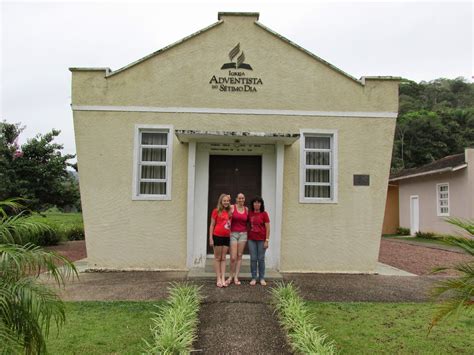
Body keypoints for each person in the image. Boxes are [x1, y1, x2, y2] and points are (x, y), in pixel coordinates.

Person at [209, 193, 232, 288]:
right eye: (224, 201)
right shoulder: (216, 211)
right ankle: (218, 278)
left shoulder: (230, 211)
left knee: (223, 258)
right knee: (218, 258)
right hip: (217, 236)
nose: (226, 202)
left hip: (226, 237)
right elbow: (212, 225)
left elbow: (237, 205)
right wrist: (211, 238)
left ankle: (223, 277)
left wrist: (229, 197)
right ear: (221, 202)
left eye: (227, 201)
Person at [226, 193, 248, 286]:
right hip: (233, 234)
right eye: (239, 198)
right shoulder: (232, 207)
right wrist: (227, 198)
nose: (241, 200)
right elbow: (224, 210)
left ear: (244, 199)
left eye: (242, 198)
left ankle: (236, 277)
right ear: (236, 199)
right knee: (233, 257)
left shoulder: (246, 209)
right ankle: (230, 276)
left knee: (239, 255)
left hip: (243, 234)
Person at [248, 196, 270, 286]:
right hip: (251, 239)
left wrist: (267, 240)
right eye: (255, 202)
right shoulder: (249, 213)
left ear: (261, 204)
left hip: (262, 240)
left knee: (261, 259)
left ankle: (261, 278)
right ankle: (253, 277)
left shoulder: (264, 214)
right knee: (253, 259)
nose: (257, 204)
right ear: (253, 204)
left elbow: (268, 228)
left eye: (259, 202)